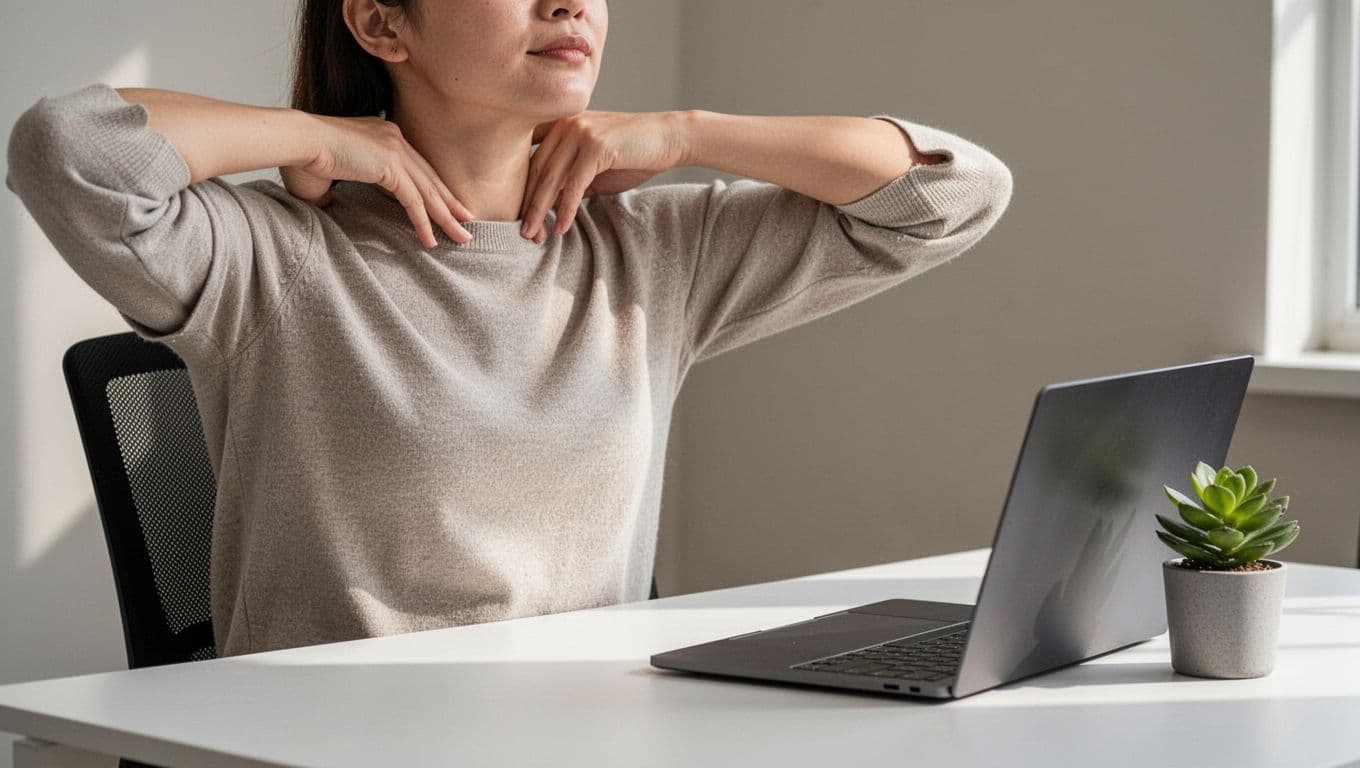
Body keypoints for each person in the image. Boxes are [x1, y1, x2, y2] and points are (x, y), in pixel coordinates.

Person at [4, 0, 1014, 658]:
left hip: (577, 736)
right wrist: (313, 135)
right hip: (319, 740)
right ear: (380, 25)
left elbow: (958, 193)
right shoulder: (269, 259)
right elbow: (68, 149)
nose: (571, 4)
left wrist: (690, 131)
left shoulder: (650, 256)